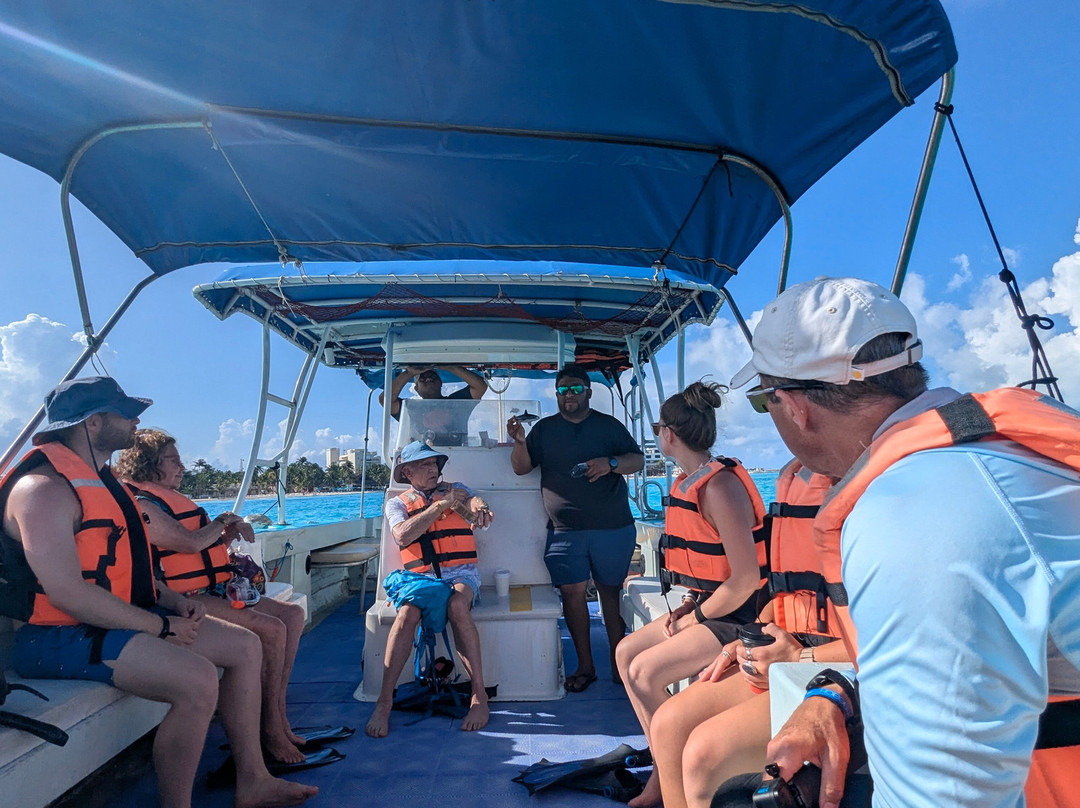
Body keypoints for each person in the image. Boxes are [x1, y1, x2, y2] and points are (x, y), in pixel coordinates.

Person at [727, 277, 1080, 808]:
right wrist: (836, 690)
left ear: (794, 406)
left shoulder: (911, 517)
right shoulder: (999, 455)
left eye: (764, 402)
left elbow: (945, 797)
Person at [0, 376, 316, 808]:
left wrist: (173, 602)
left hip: (122, 616)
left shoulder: (103, 481)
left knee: (245, 646)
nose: (135, 421)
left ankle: (254, 780)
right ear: (92, 424)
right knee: (198, 680)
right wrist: (159, 626)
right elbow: (66, 593)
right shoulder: (43, 490)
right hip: (56, 637)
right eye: (125, 412)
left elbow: (130, 569)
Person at [647, 460, 849, 808]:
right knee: (668, 724)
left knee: (703, 752)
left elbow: (887, 640)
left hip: (841, 667)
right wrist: (747, 639)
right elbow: (784, 589)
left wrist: (796, 658)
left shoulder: (875, 495)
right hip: (791, 653)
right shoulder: (799, 476)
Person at [116, 428, 310, 766]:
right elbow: (188, 544)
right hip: (180, 596)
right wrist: (222, 521)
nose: (182, 467)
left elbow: (197, 551)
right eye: (173, 461)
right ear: (148, 464)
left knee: (291, 616)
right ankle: (271, 730)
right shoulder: (142, 503)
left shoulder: (166, 498)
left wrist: (223, 538)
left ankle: (277, 713)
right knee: (272, 629)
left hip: (211, 589)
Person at [612, 380, 765, 807]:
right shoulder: (689, 481)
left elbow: (745, 580)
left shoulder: (718, 487)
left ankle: (667, 782)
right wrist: (689, 610)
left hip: (739, 614)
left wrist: (692, 621)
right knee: (626, 653)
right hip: (706, 605)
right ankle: (663, 770)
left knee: (646, 672)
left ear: (669, 434)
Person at [507, 363, 644, 693]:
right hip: (564, 531)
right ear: (556, 394)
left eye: (575, 388)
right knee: (572, 595)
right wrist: (520, 442)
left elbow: (636, 460)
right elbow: (521, 469)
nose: (569, 395)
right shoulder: (544, 429)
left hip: (612, 527)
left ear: (588, 391)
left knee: (610, 592)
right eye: (563, 390)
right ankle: (586, 666)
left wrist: (609, 464)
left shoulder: (608, 426)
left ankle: (618, 662)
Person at [365, 440, 494, 738]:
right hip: (420, 578)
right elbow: (401, 536)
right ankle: (385, 701)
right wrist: (439, 506)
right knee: (408, 612)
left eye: (434, 463)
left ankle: (479, 696)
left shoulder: (456, 489)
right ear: (407, 472)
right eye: (424, 465)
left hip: (461, 573)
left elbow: (473, 504)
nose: (433, 468)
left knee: (458, 605)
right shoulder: (397, 504)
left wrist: (479, 505)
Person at [379, 365, 487, 420]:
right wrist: (409, 373)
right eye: (422, 377)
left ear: (441, 383)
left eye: (433, 376)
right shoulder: (410, 409)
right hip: (420, 459)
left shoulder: (456, 403)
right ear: (416, 388)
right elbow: (385, 400)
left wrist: (451, 367)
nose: (428, 378)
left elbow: (480, 386)